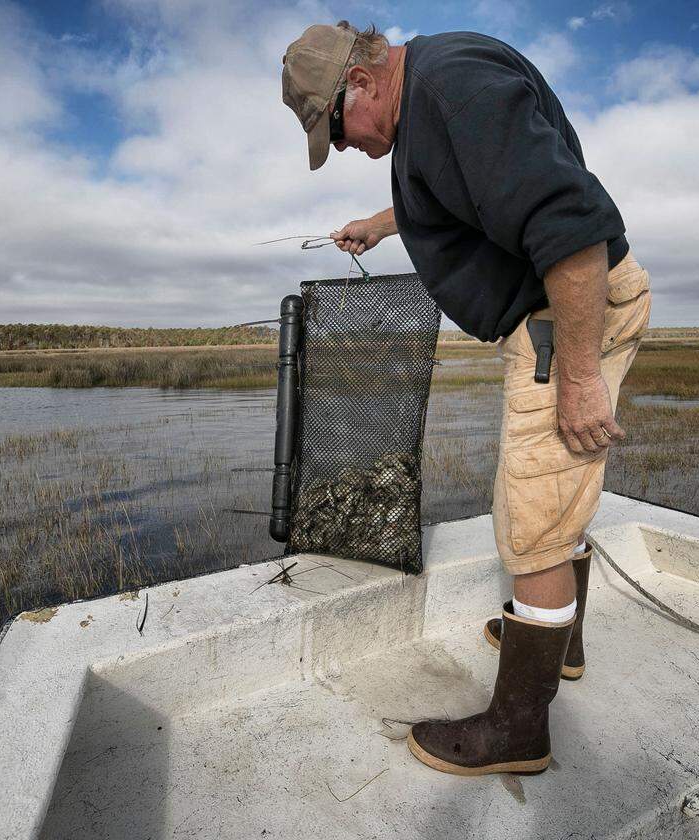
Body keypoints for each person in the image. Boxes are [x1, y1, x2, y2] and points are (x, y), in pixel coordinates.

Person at [281, 21, 651, 776]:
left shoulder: (451, 89)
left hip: (568, 315)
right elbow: (470, 192)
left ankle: (519, 732)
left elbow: (570, 225)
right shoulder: (431, 96)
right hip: (556, 314)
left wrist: (577, 376)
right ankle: (563, 646)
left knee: (534, 518)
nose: (345, 148)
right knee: (554, 494)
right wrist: (384, 226)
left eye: (336, 132)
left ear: (357, 81)